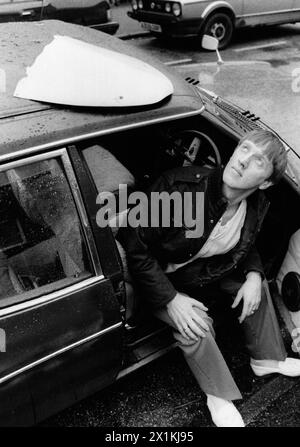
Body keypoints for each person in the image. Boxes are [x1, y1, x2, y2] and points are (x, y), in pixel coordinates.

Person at [117, 129, 300, 427]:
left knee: (255, 287)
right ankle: (218, 395)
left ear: (265, 182)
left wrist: (254, 275)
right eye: (244, 149)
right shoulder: (180, 190)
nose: (243, 160)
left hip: (197, 270)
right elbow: (136, 248)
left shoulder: (254, 204)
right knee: (196, 324)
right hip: (153, 276)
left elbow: (246, 241)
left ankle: (266, 360)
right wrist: (171, 299)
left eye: (257, 160)